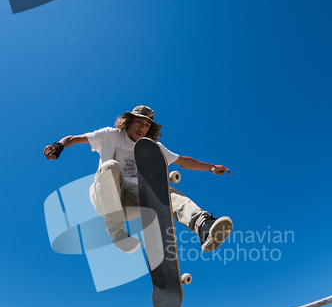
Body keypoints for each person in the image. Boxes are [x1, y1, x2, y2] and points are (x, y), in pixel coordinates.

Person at [44, 105, 233, 254]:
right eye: (139, 122)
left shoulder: (152, 147)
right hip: (106, 198)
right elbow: (74, 138)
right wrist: (59, 145)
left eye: (147, 125)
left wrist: (212, 167)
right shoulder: (110, 135)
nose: (142, 128)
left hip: (132, 202)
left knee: (164, 190)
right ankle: (117, 233)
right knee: (110, 167)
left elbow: (183, 161)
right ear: (129, 121)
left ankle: (203, 225)